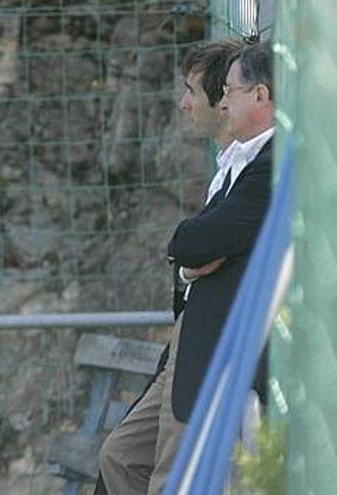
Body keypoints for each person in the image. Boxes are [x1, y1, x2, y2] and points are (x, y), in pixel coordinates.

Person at [96, 40, 274, 495]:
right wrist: (187, 265)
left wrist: (187, 254)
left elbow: (193, 242)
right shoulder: (236, 162)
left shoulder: (273, 164)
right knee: (120, 456)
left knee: (173, 479)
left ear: (260, 95)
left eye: (228, 91)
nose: (219, 101)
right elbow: (193, 253)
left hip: (219, 348)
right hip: (192, 339)